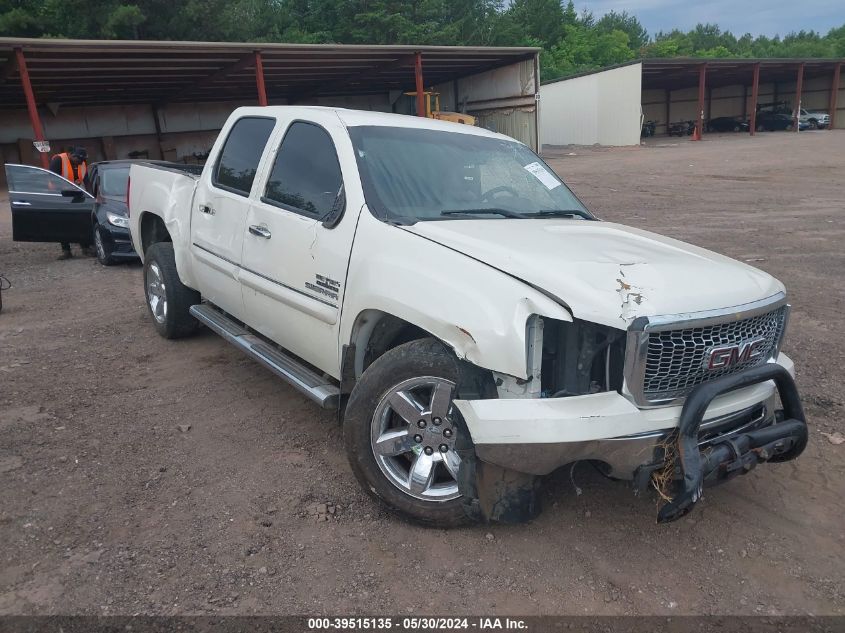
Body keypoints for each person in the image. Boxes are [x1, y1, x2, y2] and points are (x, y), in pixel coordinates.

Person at [49, 146, 93, 260]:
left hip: (76, 195)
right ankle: (66, 250)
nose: (81, 162)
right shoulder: (58, 160)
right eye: (79, 159)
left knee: (80, 221)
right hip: (60, 195)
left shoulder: (82, 162)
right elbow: (53, 178)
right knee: (62, 223)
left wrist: (91, 196)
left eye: (83, 160)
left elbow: (86, 181)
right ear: (70, 155)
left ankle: (85, 247)